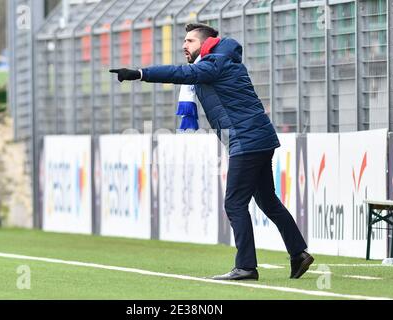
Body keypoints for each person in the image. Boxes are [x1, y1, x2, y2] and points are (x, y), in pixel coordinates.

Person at [110, 23, 314, 281]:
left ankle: (246, 267)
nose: (184, 45)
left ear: (205, 44)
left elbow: (180, 73)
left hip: (246, 140)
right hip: (258, 138)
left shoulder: (213, 64)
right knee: (267, 201)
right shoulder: (220, 61)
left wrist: (140, 73)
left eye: (190, 41)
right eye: (184, 41)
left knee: (234, 203)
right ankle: (298, 253)